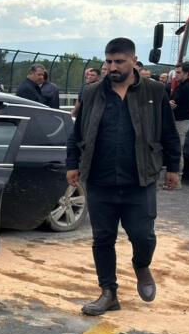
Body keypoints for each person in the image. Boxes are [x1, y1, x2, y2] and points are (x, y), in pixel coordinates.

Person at [67, 37, 181, 316]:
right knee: (102, 238)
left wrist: (174, 168)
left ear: (133, 60)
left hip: (139, 181)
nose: (112, 66)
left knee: (143, 236)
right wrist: (72, 164)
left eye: (119, 61)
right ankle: (108, 292)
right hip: (100, 180)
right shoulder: (92, 93)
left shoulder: (154, 91)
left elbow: (168, 132)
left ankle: (141, 266)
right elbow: (77, 133)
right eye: (108, 61)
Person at [170, 63, 189, 182]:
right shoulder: (180, 86)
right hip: (177, 120)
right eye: (176, 72)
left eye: (179, 72)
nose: (176, 75)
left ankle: (177, 178)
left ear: (186, 73)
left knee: (177, 149)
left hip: (181, 122)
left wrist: (171, 105)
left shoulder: (187, 87)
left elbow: (178, 104)